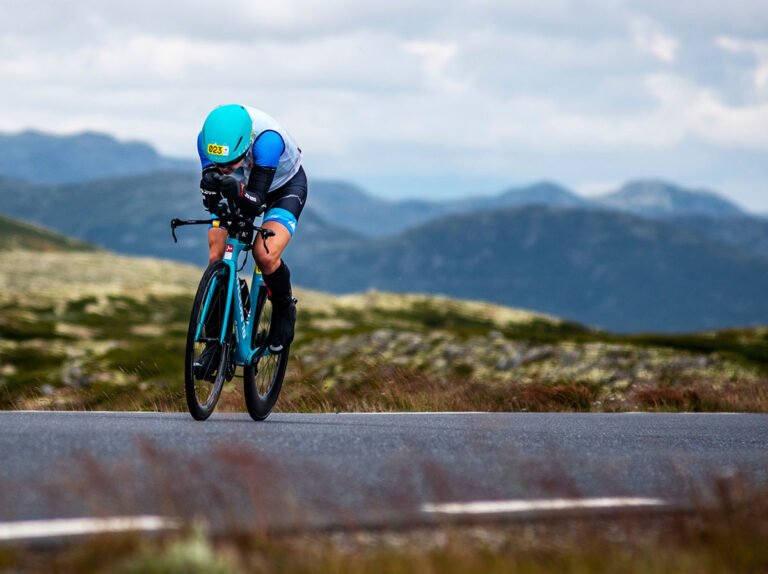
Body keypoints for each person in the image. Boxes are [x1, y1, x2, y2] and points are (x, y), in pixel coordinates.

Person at [196, 104, 307, 355]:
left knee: (265, 253)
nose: (223, 167)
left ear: (245, 146)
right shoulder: (206, 140)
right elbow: (211, 188)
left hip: (283, 188)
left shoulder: (268, 141)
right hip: (240, 185)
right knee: (217, 250)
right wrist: (214, 194)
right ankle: (216, 339)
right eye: (218, 162)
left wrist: (233, 189)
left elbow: (255, 201)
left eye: (230, 162)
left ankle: (283, 308)